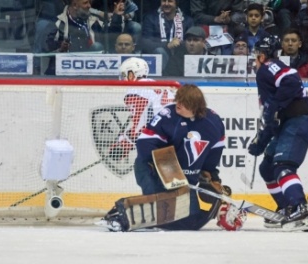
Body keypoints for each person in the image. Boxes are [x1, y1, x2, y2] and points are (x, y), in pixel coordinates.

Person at [97, 84, 243, 232]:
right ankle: (120, 215)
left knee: (190, 222)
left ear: (195, 106)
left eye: (183, 103)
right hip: (152, 169)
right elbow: (144, 144)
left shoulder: (214, 123)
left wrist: (212, 176)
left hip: (183, 182)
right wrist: (167, 167)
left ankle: (147, 218)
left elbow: (213, 155)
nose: (177, 104)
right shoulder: (167, 115)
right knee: (160, 211)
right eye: (177, 100)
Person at [248, 36, 308, 231]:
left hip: (299, 121)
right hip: (289, 125)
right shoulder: (267, 82)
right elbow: (272, 120)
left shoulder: (268, 66)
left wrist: (272, 106)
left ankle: (300, 207)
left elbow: (291, 81)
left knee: (283, 166)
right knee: (268, 168)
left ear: (261, 56)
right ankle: (287, 208)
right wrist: (261, 143)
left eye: (255, 56)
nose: (255, 61)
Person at [107, 57, 175, 161]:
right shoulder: (161, 86)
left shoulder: (135, 88)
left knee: (142, 167)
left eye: (124, 75)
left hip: (159, 141)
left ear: (131, 74)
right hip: (177, 135)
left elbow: (139, 124)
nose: (123, 79)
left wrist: (124, 144)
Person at [43, 0, 123, 75]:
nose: (89, 6)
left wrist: (117, 16)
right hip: (65, 72)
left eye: (90, 2)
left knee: (97, 46)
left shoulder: (94, 21)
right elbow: (44, 48)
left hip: (91, 71)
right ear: (75, 5)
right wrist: (60, 47)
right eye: (85, 3)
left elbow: (110, 38)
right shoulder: (58, 22)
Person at [139, 0, 194, 70]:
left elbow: (191, 42)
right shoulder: (150, 18)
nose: (166, 4)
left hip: (179, 56)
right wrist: (167, 45)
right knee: (160, 51)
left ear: (176, 3)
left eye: (170, 1)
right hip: (159, 57)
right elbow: (145, 42)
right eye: (164, 1)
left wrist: (178, 44)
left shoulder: (187, 20)